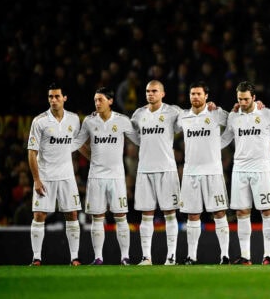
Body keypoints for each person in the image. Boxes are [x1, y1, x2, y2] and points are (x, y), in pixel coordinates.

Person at [221, 81, 270, 265]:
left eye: (246, 99)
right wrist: (207, 147)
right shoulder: (234, 116)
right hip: (240, 169)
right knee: (242, 212)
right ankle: (246, 256)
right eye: (240, 99)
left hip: (262, 168)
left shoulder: (266, 113)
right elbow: (226, 138)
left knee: (267, 211)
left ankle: (267, 255)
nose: (242, 102)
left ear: (254, 98)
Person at [72, 87, 140, 265]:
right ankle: (98, 257)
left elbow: (139, 140)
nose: (97, 103)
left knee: (121, 216)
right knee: (97, 217)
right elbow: (77, 143)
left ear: (110, 101)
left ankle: (125, 257)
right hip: (96, 177)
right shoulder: (89, 121)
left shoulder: (122, 121)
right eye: (95, 100)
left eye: (100, 99)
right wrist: (91, 156)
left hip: (117, 177)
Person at [27, 83, 82, 266]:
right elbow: (31, 152)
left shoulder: (74, 120)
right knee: (39, 215)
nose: (53, 100)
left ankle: (74, 257)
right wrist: (36, 179)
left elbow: (76, 145)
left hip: (67, 176)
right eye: (50, 97)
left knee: (72, 214)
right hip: (45, 176)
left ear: (64, 98)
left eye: (57, 96)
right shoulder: (39, 121)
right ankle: (36, 257)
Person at [130, 80, 183, 265]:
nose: (150, 94)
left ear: (163, 93)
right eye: (147, 91)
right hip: (145, 170)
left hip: (167, 169)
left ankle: (171, 256)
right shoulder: (138, 114)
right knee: (146, 215)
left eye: (154, 91)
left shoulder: (173, 112)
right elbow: (133, 135)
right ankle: (146, 257)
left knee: (170, 214)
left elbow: (191, 119)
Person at [178, 81, 231, 265]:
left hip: (213, 172)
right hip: (191, 173)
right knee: (192, 215)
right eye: (192, 94)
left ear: (206, 96)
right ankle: (191, 256)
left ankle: (225, 255)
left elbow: (234, 123)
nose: (195, 97)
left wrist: (219, 144)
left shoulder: (216, 113)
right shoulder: (183, 117)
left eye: (199, 94)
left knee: (219, 212)